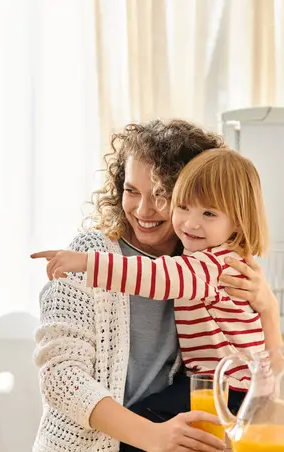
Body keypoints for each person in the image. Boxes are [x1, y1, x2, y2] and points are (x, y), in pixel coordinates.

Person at [20, 119, 282, 452]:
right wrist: (155, 436)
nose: (145, 209)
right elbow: (60, 380)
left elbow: (260, 361)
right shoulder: (93, 252)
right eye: (131, 190)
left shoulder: (201, 262)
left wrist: (268, 306)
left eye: (164, 194)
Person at [33, 147, 268, 392]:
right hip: (221, 384)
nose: (190, 223)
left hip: (228, 388)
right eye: (183, 206)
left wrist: (86, 263)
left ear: (239, 222)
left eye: (208, 213)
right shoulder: (211, 256)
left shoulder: (216, 266)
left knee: (147, 417)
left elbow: (156, 276)